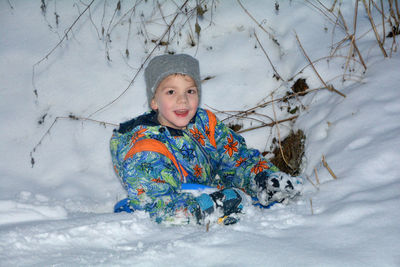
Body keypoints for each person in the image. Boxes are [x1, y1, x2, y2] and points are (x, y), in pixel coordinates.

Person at [110, 54, 303, 225]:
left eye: (190, 91)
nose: (183, 100)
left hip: (209, 192)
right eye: (171, 92)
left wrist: (261, 178)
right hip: (181, 220)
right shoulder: (145, 146)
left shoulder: (205, 124)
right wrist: (210, 206)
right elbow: (154, 205)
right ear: (154, 101)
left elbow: (237, 159)